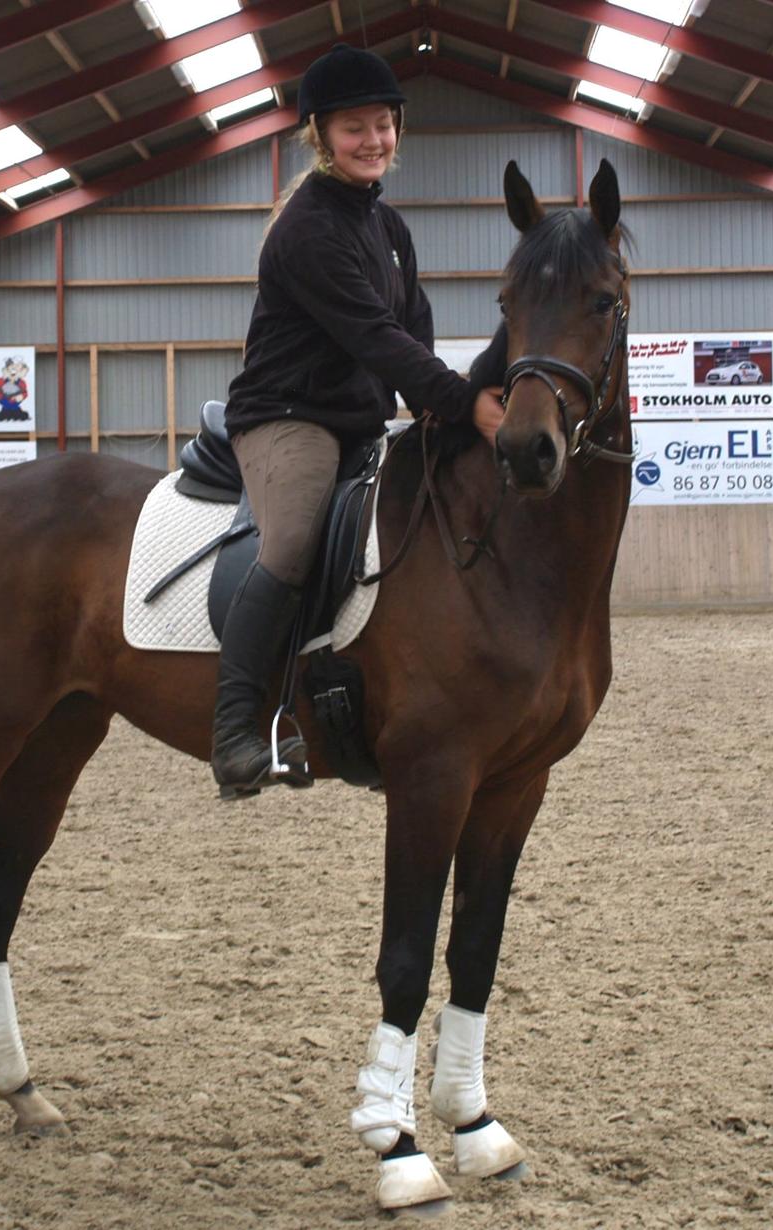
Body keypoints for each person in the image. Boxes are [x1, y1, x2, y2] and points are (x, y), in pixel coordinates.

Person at [211, 42, 506, 798]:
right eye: (354, 129)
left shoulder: (391, 230)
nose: (373, 140)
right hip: (289, 419)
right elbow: (373, 338)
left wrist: (435, 416)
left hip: (363, 424)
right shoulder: (308, 228)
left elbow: (414, 333)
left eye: (383, 125)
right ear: (321, 137)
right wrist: (464, 403)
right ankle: (237, 728)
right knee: (296, 538)